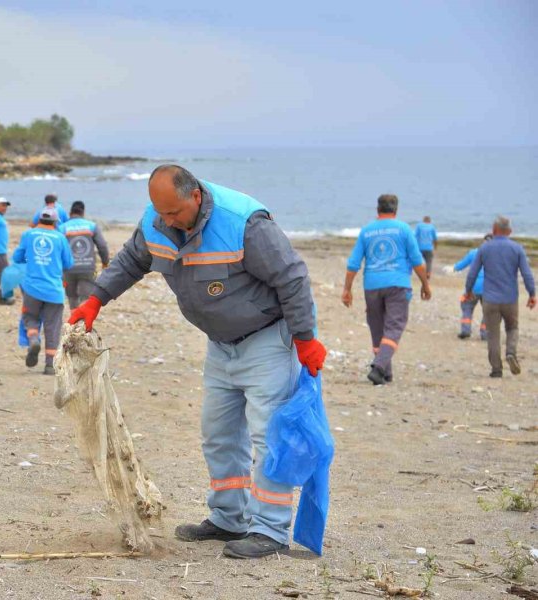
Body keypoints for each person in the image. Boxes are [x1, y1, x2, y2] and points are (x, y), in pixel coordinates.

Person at [69, 165, 326, 559]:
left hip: (267, 341)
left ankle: (270, 530)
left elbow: (291, 278)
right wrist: (96, 298)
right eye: (161, 213)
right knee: (218, 433)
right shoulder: (157, 222)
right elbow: (131, 261)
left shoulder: (244, 224)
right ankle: (228, 518)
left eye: (174, 212)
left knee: (267, 437)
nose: (167, 221)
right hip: (220, 345)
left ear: (196, 196)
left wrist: (305, 339)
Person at [342, 194, 432, 385]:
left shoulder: (366, 231)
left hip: (372, 285)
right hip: (398, 284)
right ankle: (380, 367)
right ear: (396, 210)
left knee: (377, 327)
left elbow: (353, 264)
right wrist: (425, 284)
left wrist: (347, 289)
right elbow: (418, 262)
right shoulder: (404, 229)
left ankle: (385, 372)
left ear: (377, 210)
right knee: (394, 326)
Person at [464, 216, 536, 378]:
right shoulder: (517, 249)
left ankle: (496, 369)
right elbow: (526, 274)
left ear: (494, 230)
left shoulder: (484, 248)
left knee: (493, 334)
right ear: (510, 231)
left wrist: (468, 291)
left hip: (490, 299)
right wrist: (532, 294)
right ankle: (511, 352)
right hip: (510, 299)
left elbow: (472, 273)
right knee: (512, 328)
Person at [14, 206, 73, 375]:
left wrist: (31, 258)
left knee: (30, 318)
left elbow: (17, 257)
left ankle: (33, 339)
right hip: (54, 290)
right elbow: (68, 264)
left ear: (39, 220)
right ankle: (49, 365)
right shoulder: (60, 238)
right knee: (52, 326)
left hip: (32, 288)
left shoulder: (28, 235)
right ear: (55, 222)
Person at [59, 201, 110, 309]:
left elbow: (58, 249)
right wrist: (105, 262)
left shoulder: (62, 228)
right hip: (87, 267)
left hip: (68, 268)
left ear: (70, 213)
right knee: (85, 298)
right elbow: (102, 246)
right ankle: (81, 323)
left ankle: (73, 322)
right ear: (83, 213)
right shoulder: (91, 226)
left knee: (72, 297)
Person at [454, 234, 492, 340]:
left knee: (467, 307)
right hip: (490, 289)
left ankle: (465, 330)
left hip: (474, 287)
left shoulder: (473, 253)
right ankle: (485, 333)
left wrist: (453, 268)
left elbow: (461, 265)